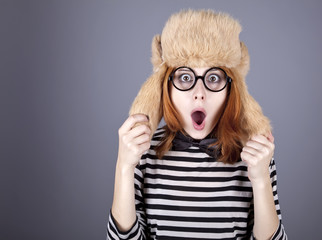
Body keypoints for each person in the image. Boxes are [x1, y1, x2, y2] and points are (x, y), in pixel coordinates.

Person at [107, 9, 287, 240]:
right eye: (185, 77)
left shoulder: (254, 156)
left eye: (213, 78)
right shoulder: (142, 152)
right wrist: (124, 166)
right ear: (166, 86)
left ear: (231, 87)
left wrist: (261, 179)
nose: (199, 94)